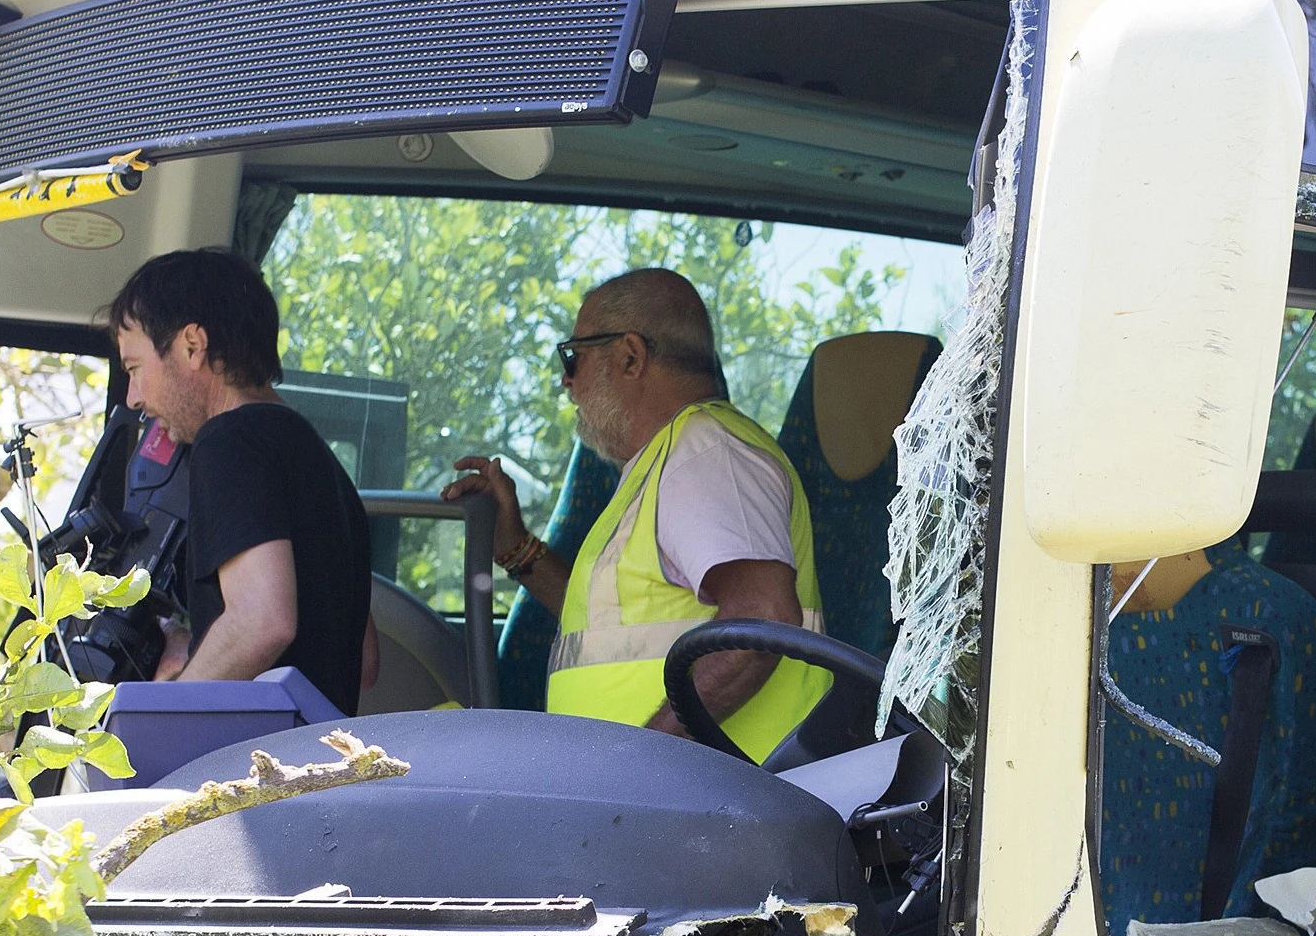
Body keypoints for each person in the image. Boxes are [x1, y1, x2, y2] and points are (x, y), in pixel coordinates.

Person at [446, 269, 827, 758]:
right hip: (667, 811)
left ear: (629, 356)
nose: (566, 381)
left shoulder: (704, 453)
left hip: (707, 812)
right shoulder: (667, 461)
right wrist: (518, 550)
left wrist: (645, 760)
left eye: (573, 356)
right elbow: (619, 629)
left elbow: (763, 616)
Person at [104, 249, 375, 714]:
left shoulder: (228, 441)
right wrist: (195, 649)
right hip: (322, 765)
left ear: (192, 345)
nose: (134, 398)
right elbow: (363, 660)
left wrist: (160, 717)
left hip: (260, 772)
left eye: (134, 369)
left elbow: (263, 622)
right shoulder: (317, 458)